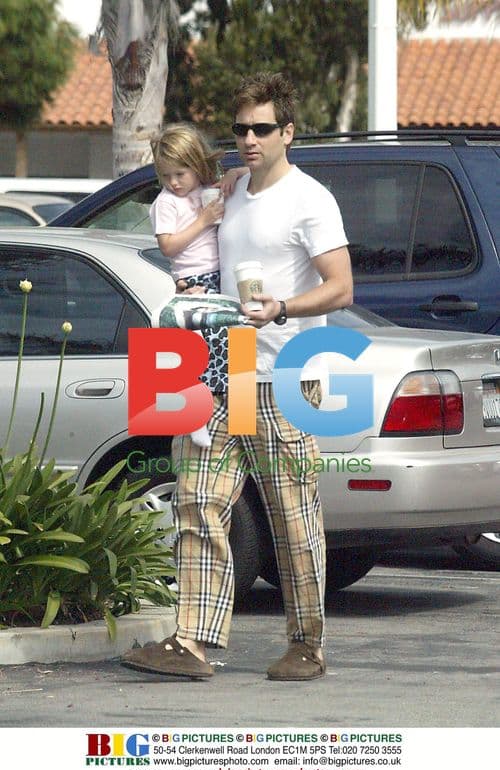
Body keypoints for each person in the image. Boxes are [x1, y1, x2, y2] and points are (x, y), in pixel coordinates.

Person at [121, 73, 353, 682]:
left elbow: (341, 287)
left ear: (288, 133)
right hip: (221, 368)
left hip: (282, 372)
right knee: (198, 500)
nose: (249, 138)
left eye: (262, 128)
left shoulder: (312, 200)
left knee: (290, 510)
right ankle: (192, 642)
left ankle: (307, 644)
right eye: (241, 128)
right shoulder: (228, 190)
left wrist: (280, 307)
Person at [148, 122, 245, 446]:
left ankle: (241, 416)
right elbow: (168, 246)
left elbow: (251, 176)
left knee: (236, 343)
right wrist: (202, 221)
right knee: (203, 352)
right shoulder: (167, 202)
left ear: (197, 166)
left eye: (181, 173)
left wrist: (233, 175)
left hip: (222, 278)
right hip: (195, 281)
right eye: (166, 176)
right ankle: (194, 417)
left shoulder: (204, 191)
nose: (174, 183)